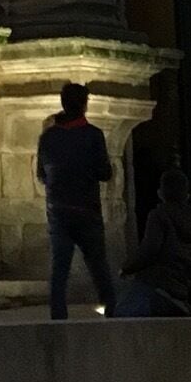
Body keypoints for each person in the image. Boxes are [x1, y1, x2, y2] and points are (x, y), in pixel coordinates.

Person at [36, 81, 118, 320]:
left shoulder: (49, 137)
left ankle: (58, 314)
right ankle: (111, 307)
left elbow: (42, 174)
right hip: (86, 208)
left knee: (60, 267)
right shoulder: (92, 135)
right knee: (98, 265)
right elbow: (104, 172)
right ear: (84, 105)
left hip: (58, 208)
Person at [117, 169, 191, 317]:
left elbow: (150, 249)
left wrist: (127, 268)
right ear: (187, 194)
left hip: (157, 288)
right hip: (180, 292)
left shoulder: (159, 215)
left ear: (161, 193)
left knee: (119, 312)